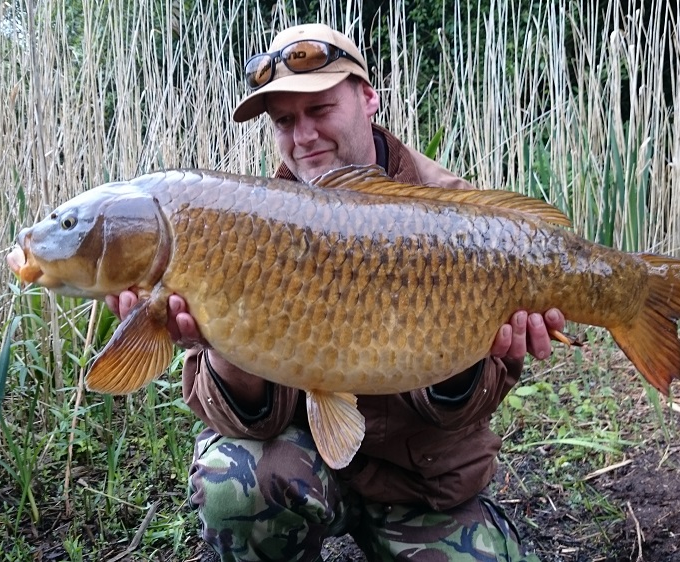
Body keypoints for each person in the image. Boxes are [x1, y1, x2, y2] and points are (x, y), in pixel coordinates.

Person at [107, 23, 565, 562]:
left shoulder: (457, 217)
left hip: (421, 484)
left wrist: (469, 358)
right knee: (237, 481)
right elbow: (234, 421)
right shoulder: (235, 225)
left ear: (368, 98)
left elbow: (469, 409)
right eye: (284, 121)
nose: (303, 138)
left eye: (319, 110)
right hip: (301, 472)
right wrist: (226, 351)